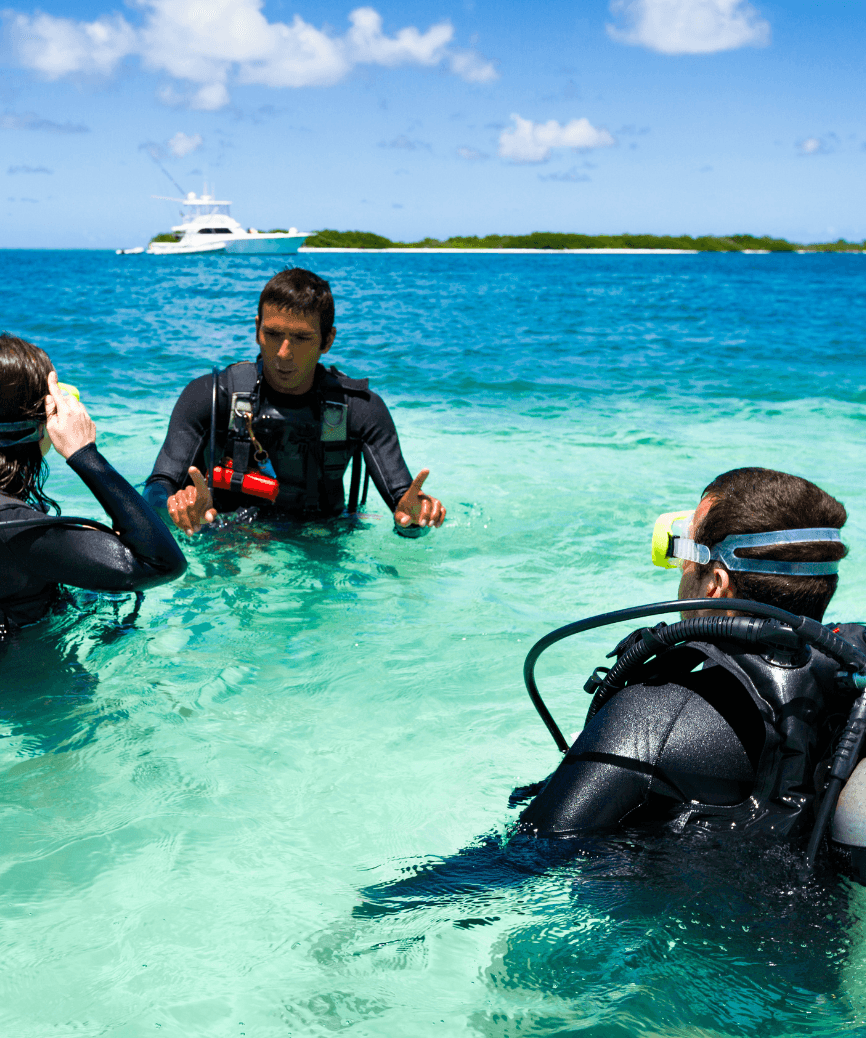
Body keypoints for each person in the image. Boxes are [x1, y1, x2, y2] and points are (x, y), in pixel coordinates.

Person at [518, 467, 862, 843]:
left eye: (686, 549)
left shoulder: (652, 717)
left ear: (716, 583)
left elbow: (521, 857)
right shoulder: (853, 682)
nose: (682, 569)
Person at [0, 334, 186, 630]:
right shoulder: (14, 532)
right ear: (45, 417)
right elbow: (163, 563)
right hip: (11, 678)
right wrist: (84, 454)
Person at [143, 267, 446, 536]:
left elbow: (405, 508)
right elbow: (158, 485)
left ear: (327, 340)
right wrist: (174, 511)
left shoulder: (359, 409)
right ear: (257, 328)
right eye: (273, 334)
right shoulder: (212, 396)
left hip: (321, 545)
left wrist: (415, 522)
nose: (283, 353)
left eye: (301, 338)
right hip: (231, 541)